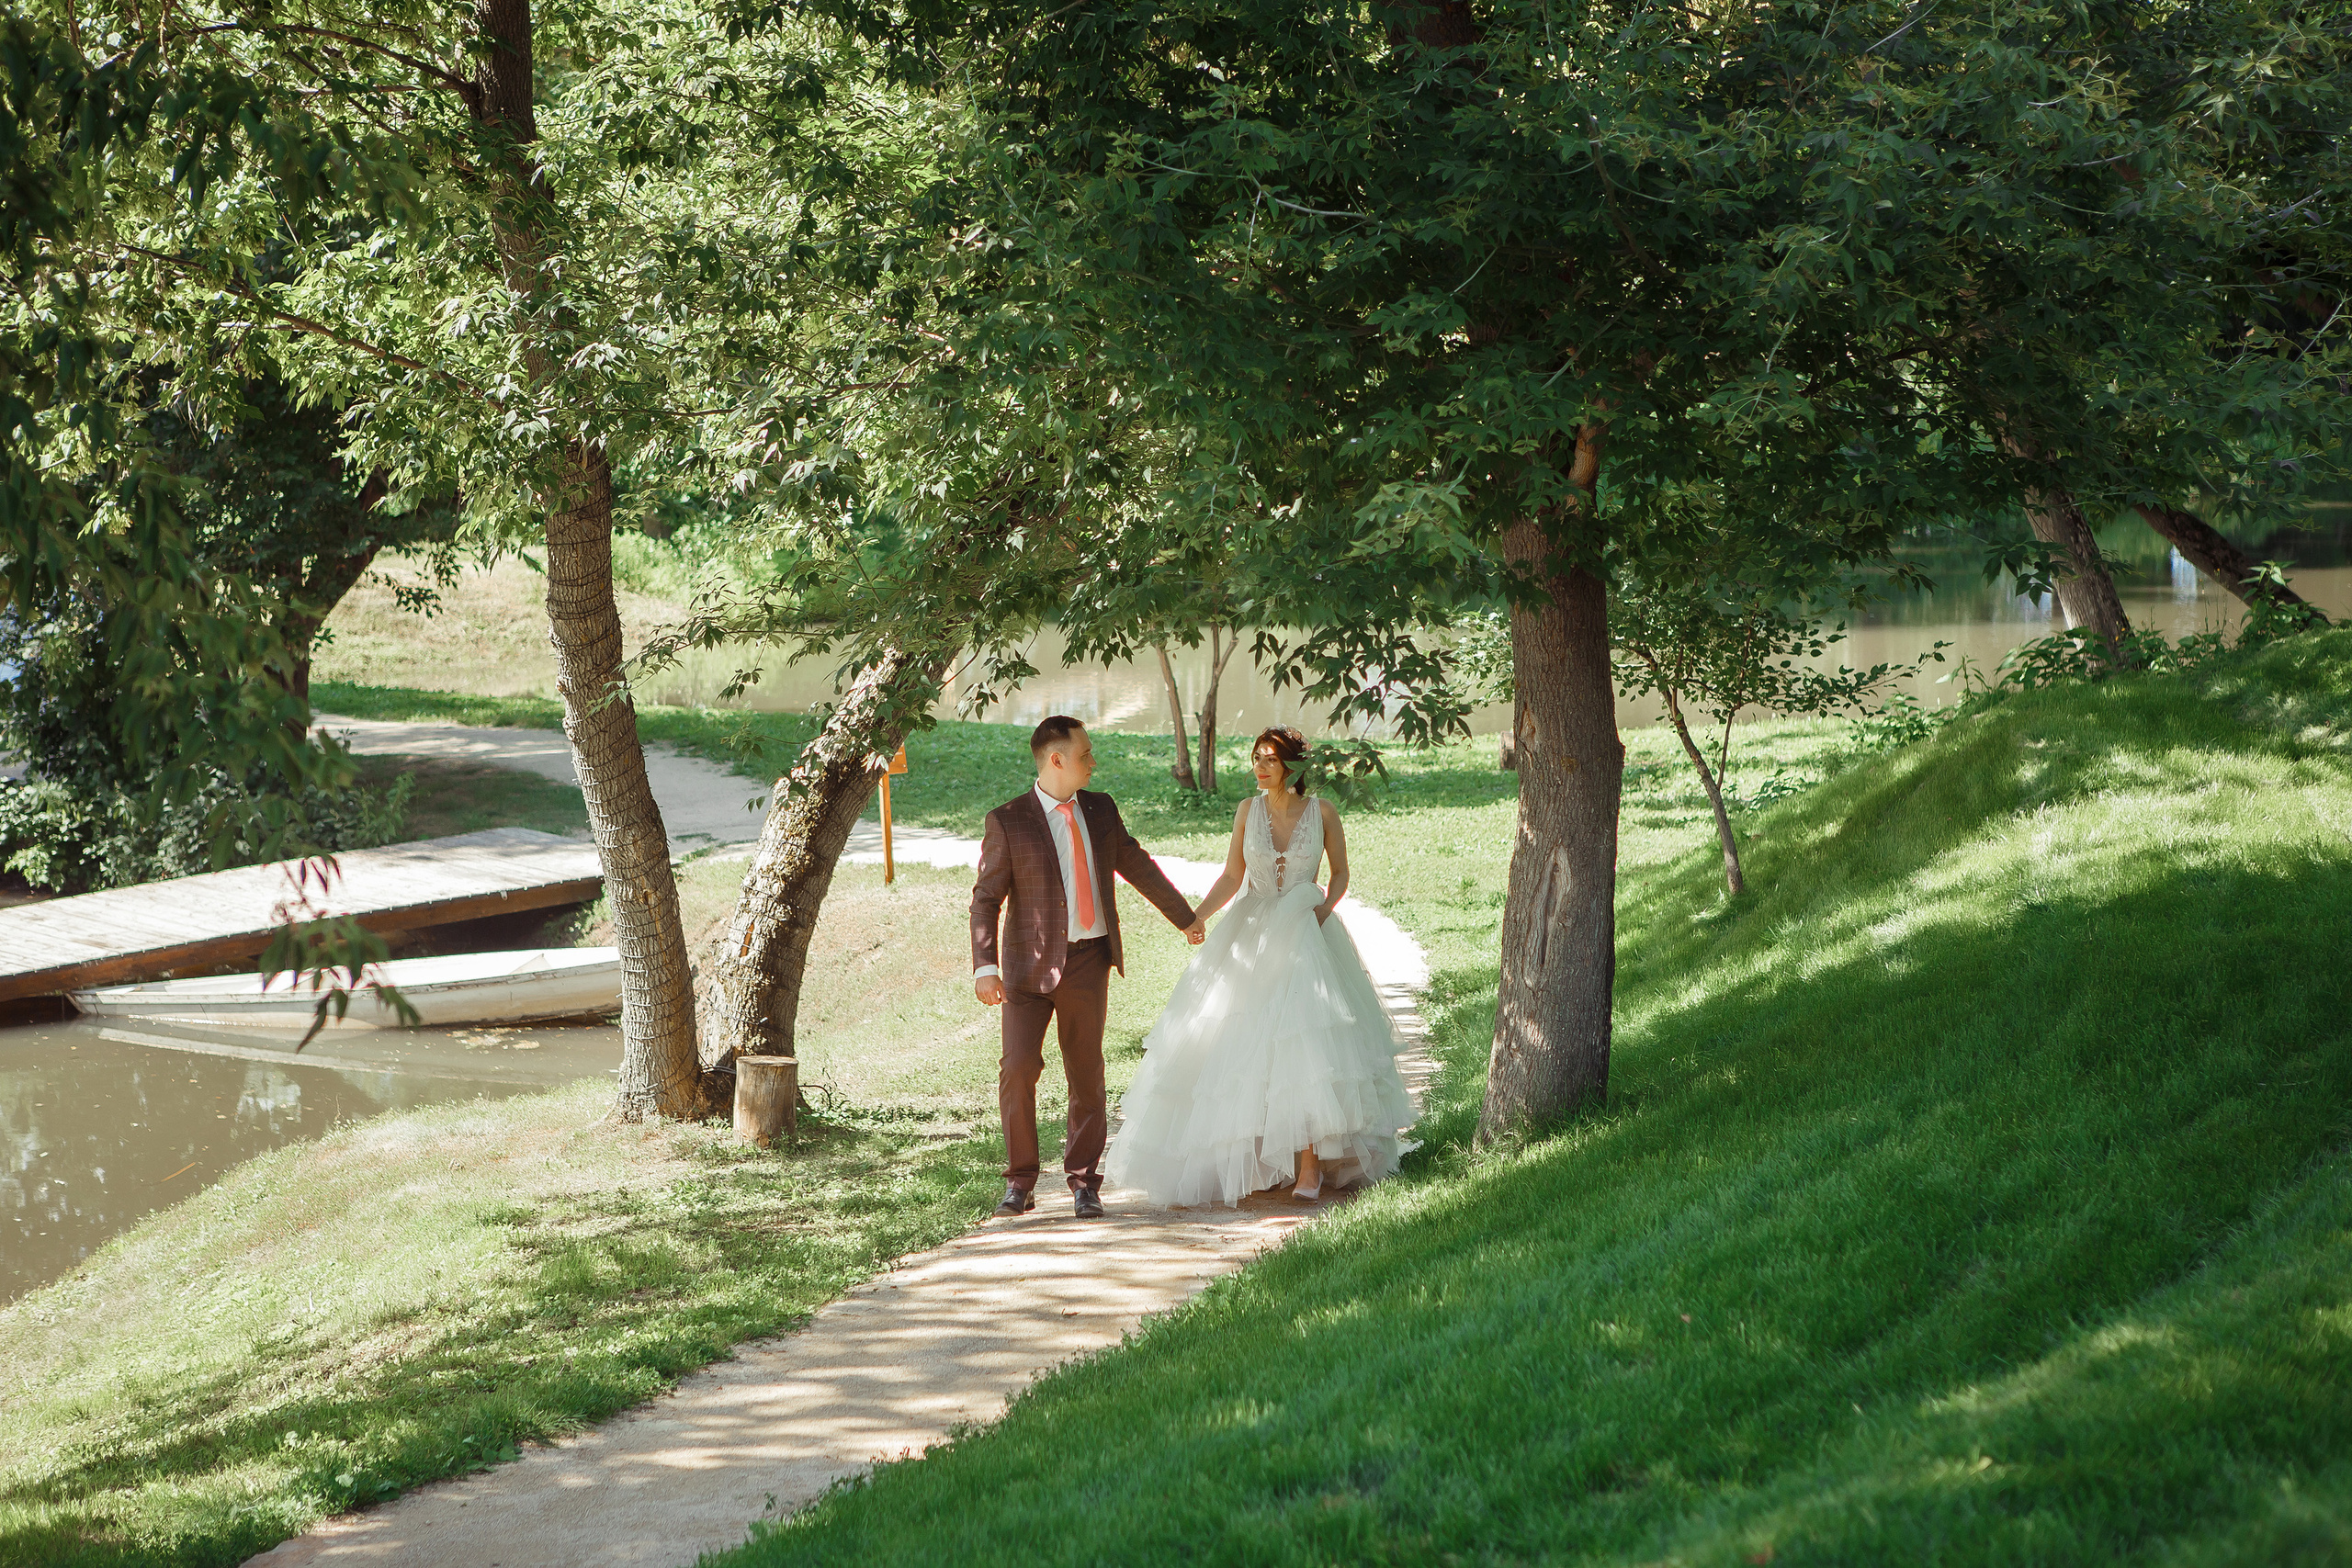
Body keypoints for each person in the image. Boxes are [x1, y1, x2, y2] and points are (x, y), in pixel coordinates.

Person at [1104, 725, 1415, 1206]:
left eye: (1270, 759)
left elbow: (1340, 874)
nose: (1260, 767)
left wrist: (1323, 910)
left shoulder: (1323, 812)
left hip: (1306, 931)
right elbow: (1233, 875)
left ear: (1294, 766)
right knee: (1244, 1047)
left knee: (1305, 1043)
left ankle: (1310, 1163)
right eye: (1257, 758)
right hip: (1251, 928)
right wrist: (1196, 917)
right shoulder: (1246, 811)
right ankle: (1260, 1158)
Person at [971, 716, 1204, 1220]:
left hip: (1087, 961)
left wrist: (1185, 918)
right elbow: (986, 898)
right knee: (1017, 1069)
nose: (1093, 761)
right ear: (1057, 760)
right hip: (1025, 971)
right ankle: (1020, 1182)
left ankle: (1083, 1183)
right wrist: (984, 966)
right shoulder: (1008, 820)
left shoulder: (1100, 810)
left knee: (1085, 1072)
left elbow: (1137, 863)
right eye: (1085, 754)